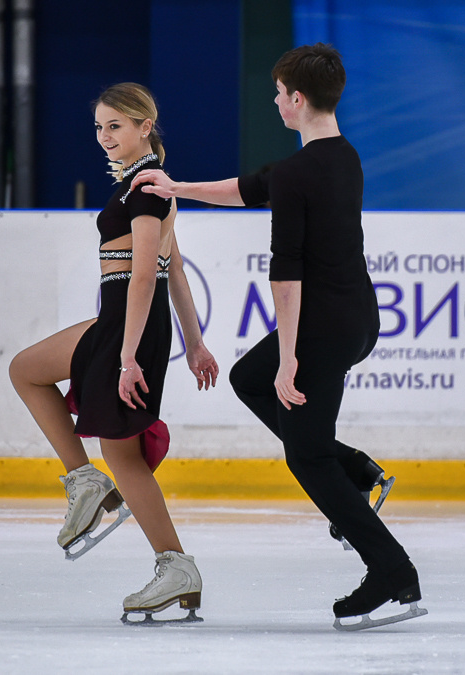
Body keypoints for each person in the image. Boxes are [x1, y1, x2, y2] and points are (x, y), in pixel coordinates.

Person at [130, 44, 425, 630]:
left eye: (277, 92)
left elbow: (285, 272)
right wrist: (175, 188)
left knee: (306, 457)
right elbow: (250, 187)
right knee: (248, 379)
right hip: (356, 317)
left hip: (323, 325)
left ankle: (393, 572)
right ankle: (358, 472)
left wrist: (289, 357)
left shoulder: (300, 173)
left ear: (296, 97)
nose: (274, 101)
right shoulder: (343, 157)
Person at [9, 82, 218, 623]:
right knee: (41, 382)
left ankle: (102, 497)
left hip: (129, 328)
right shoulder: (140, 185)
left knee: (37, 380)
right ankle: (166, 558)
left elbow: (149, 273)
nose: (104, 136)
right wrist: (194, 343)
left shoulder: (148, 189)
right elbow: (177, 274)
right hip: (122, 325)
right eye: (99, 127)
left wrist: (128, 357)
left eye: (115, 126)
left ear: (145, 126)